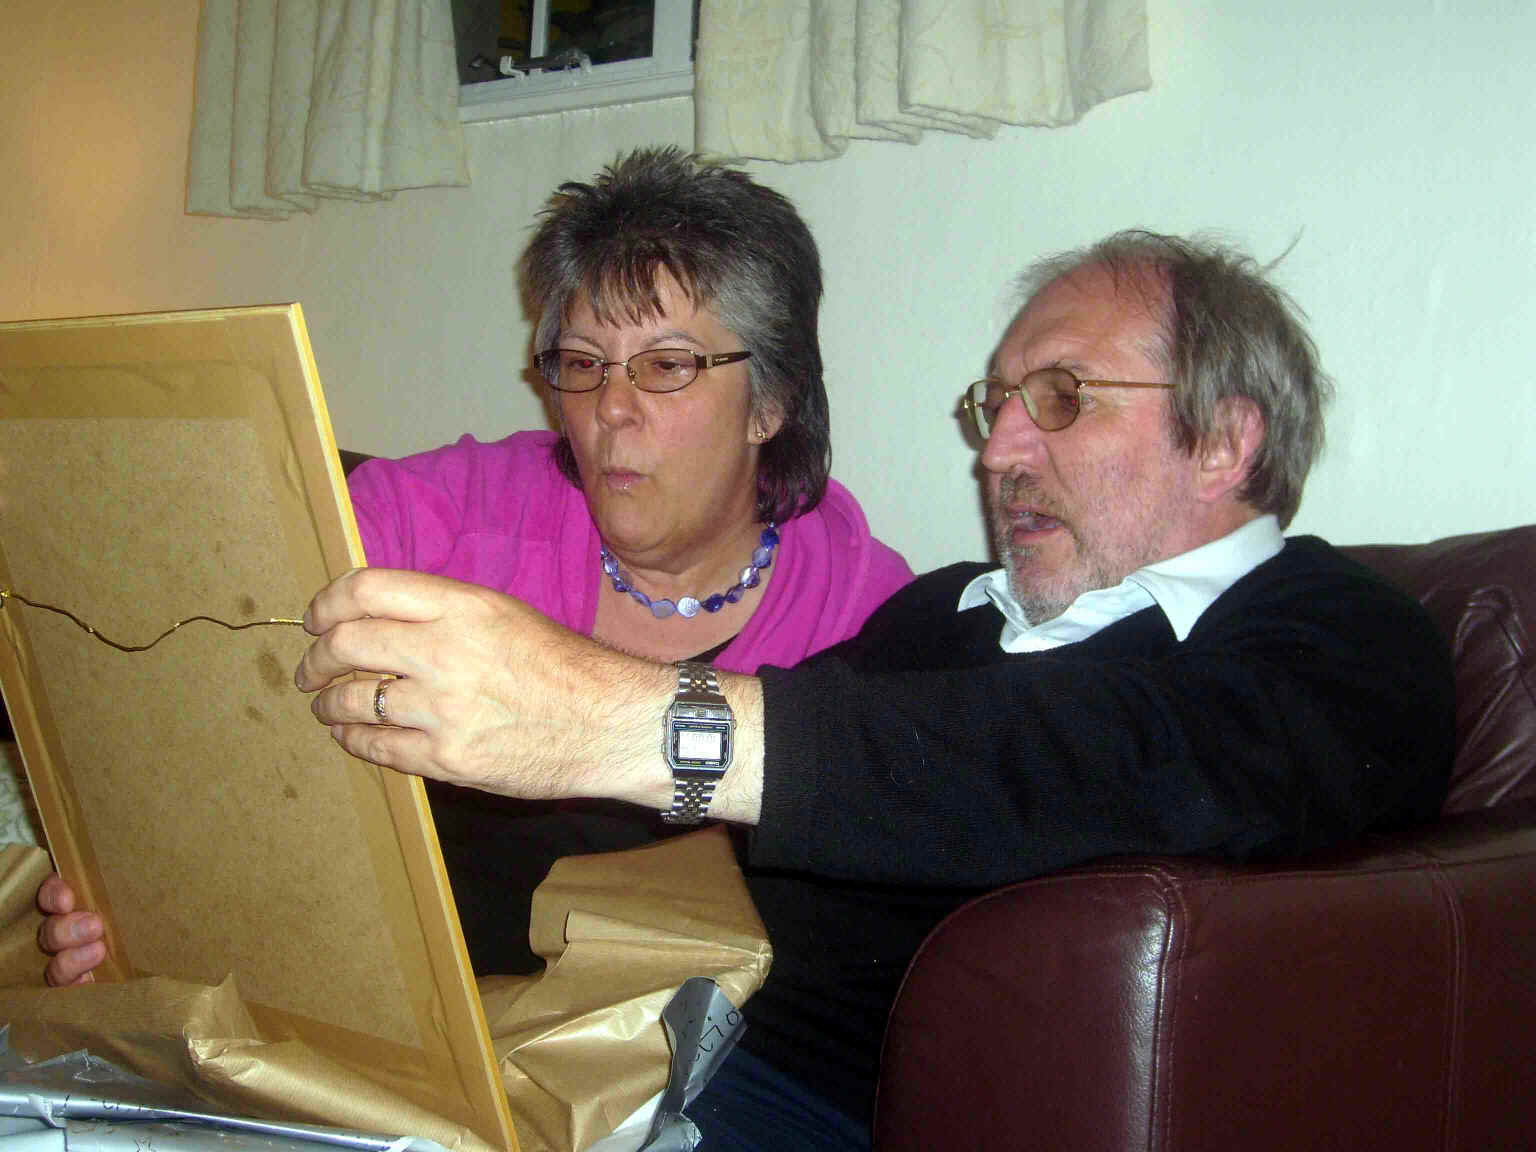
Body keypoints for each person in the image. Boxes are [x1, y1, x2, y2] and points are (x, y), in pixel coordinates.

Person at [54, 230, 1458, 1150]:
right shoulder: (939, 617)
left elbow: (1108, 760)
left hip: (821, 1112)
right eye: (995, 406)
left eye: (1063, 400)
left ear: (1225, 440)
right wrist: (238, 916)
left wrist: (625, 715)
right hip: (654, 1051)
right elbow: (645, 831)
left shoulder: (1345, 637)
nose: (999, 454)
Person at [33, 147, 913, 984]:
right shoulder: (445, 521)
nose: (611, 408)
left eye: (667, 365)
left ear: (772, 403)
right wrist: (138, 886)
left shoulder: (869, 618)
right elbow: (192, 671)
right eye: (582, 364)